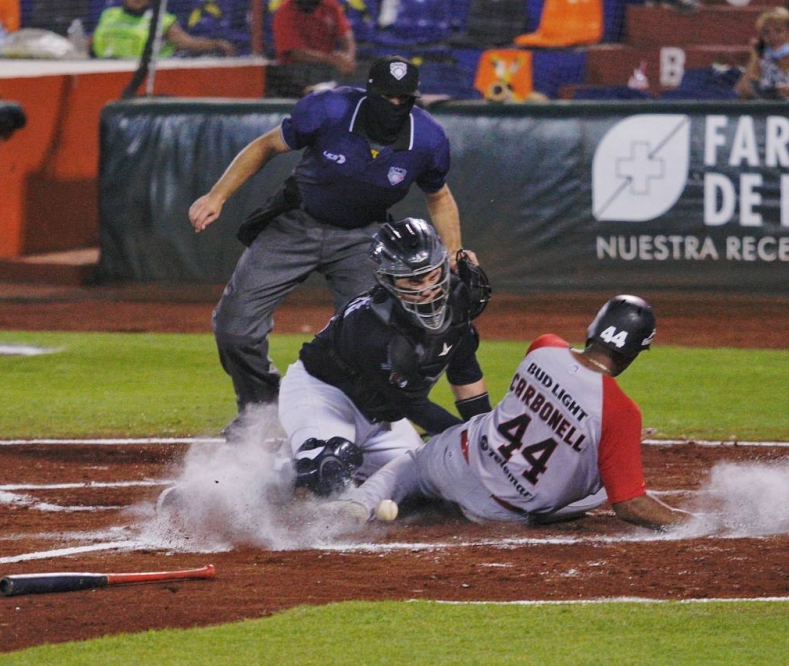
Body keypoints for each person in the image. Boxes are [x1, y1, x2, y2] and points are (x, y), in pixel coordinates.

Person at [188, 55, 466, 439]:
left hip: (364, 239)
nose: (396, 105)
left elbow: (439, 195)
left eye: (405, 98)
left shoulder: (429, 138)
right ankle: (261, 412)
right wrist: (217, 196)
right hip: (296, 223)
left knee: (374, 340)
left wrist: (453, 252)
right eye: (388, 96)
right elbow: (266, 145)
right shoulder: (329, 108)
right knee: (234, 327)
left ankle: (353, 424)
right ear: (370, 92)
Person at [326, 295, 693, 531]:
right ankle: (449, 508)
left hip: (456, 461)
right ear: (632, 353)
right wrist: (695, 524)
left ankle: (359, 503)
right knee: (598, 485)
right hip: (499, 509)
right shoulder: (620, 410)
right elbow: (630, 506)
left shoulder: (544, 347)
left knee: (413, 461)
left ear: (593, 329)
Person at [280, 217, 492, 496]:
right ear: (389, 280)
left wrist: (487, 439)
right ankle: (275, 470)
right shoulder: (371, 327)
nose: (428, 288)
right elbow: (413, 405)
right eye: (415, 280)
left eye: (433, 275)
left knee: (430, 486)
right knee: (326, 473)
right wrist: (466, 441)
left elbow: (465, 372)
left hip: (382, 418)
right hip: (325, 397)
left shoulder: (457, 302)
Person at [269, 0, 358, 97]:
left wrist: (348, 58)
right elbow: (295, 53)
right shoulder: (285, 10)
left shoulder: (329, 5)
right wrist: (332, 60)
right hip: (294, 75)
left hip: (325, 71)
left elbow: (346, 36)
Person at [92, 0, 236, 59]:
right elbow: (90, 42)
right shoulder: (109, 15)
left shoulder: (161, 20)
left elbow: (187, 43)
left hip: (145, 78)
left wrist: (217, 44)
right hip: (106, 73)